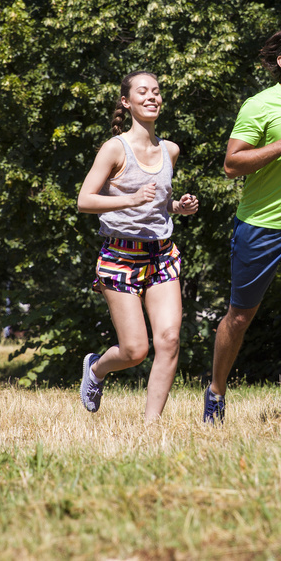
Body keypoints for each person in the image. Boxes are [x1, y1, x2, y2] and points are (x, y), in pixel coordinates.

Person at [204, 26, 281, 426]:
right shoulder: (259, 105)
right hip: (258, 226)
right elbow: (231, 165)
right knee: (240, 318)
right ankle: (216, 391)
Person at [77, 71, 199, 423]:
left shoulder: (170, 150)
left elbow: (160, 203)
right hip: (120, 257)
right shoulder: (115, 148)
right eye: (142, 92)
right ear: (126, 102)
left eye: (157, 92)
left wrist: (179, 207)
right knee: (135, 350)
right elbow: (84, 200)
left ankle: (151, 427)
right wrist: (129, 200)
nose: (152, 97)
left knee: (170, 340)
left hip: (161, 255)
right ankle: (97, 369)